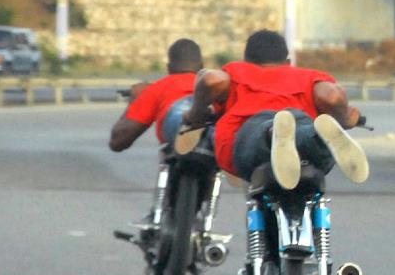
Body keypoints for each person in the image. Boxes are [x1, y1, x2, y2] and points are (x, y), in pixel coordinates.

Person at [182, 29, 368, 190]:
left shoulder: (238, 71)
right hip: (301, 121)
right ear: (287, 62)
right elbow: (333, 96)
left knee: (261, 134)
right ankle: (320, 135)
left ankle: (274, 134)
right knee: (309, 136)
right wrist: (345, 119)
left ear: (246, 60)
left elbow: (211, 80)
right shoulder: (308, 77)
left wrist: (196, 114)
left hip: (251, 126)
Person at [108, 38, 204, 235]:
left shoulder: (159, 88)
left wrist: (134, 101)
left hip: (173, 146)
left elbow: (118, 142)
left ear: (169, 67)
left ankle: (158, 216)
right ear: (202, 67)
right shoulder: (213, 88)